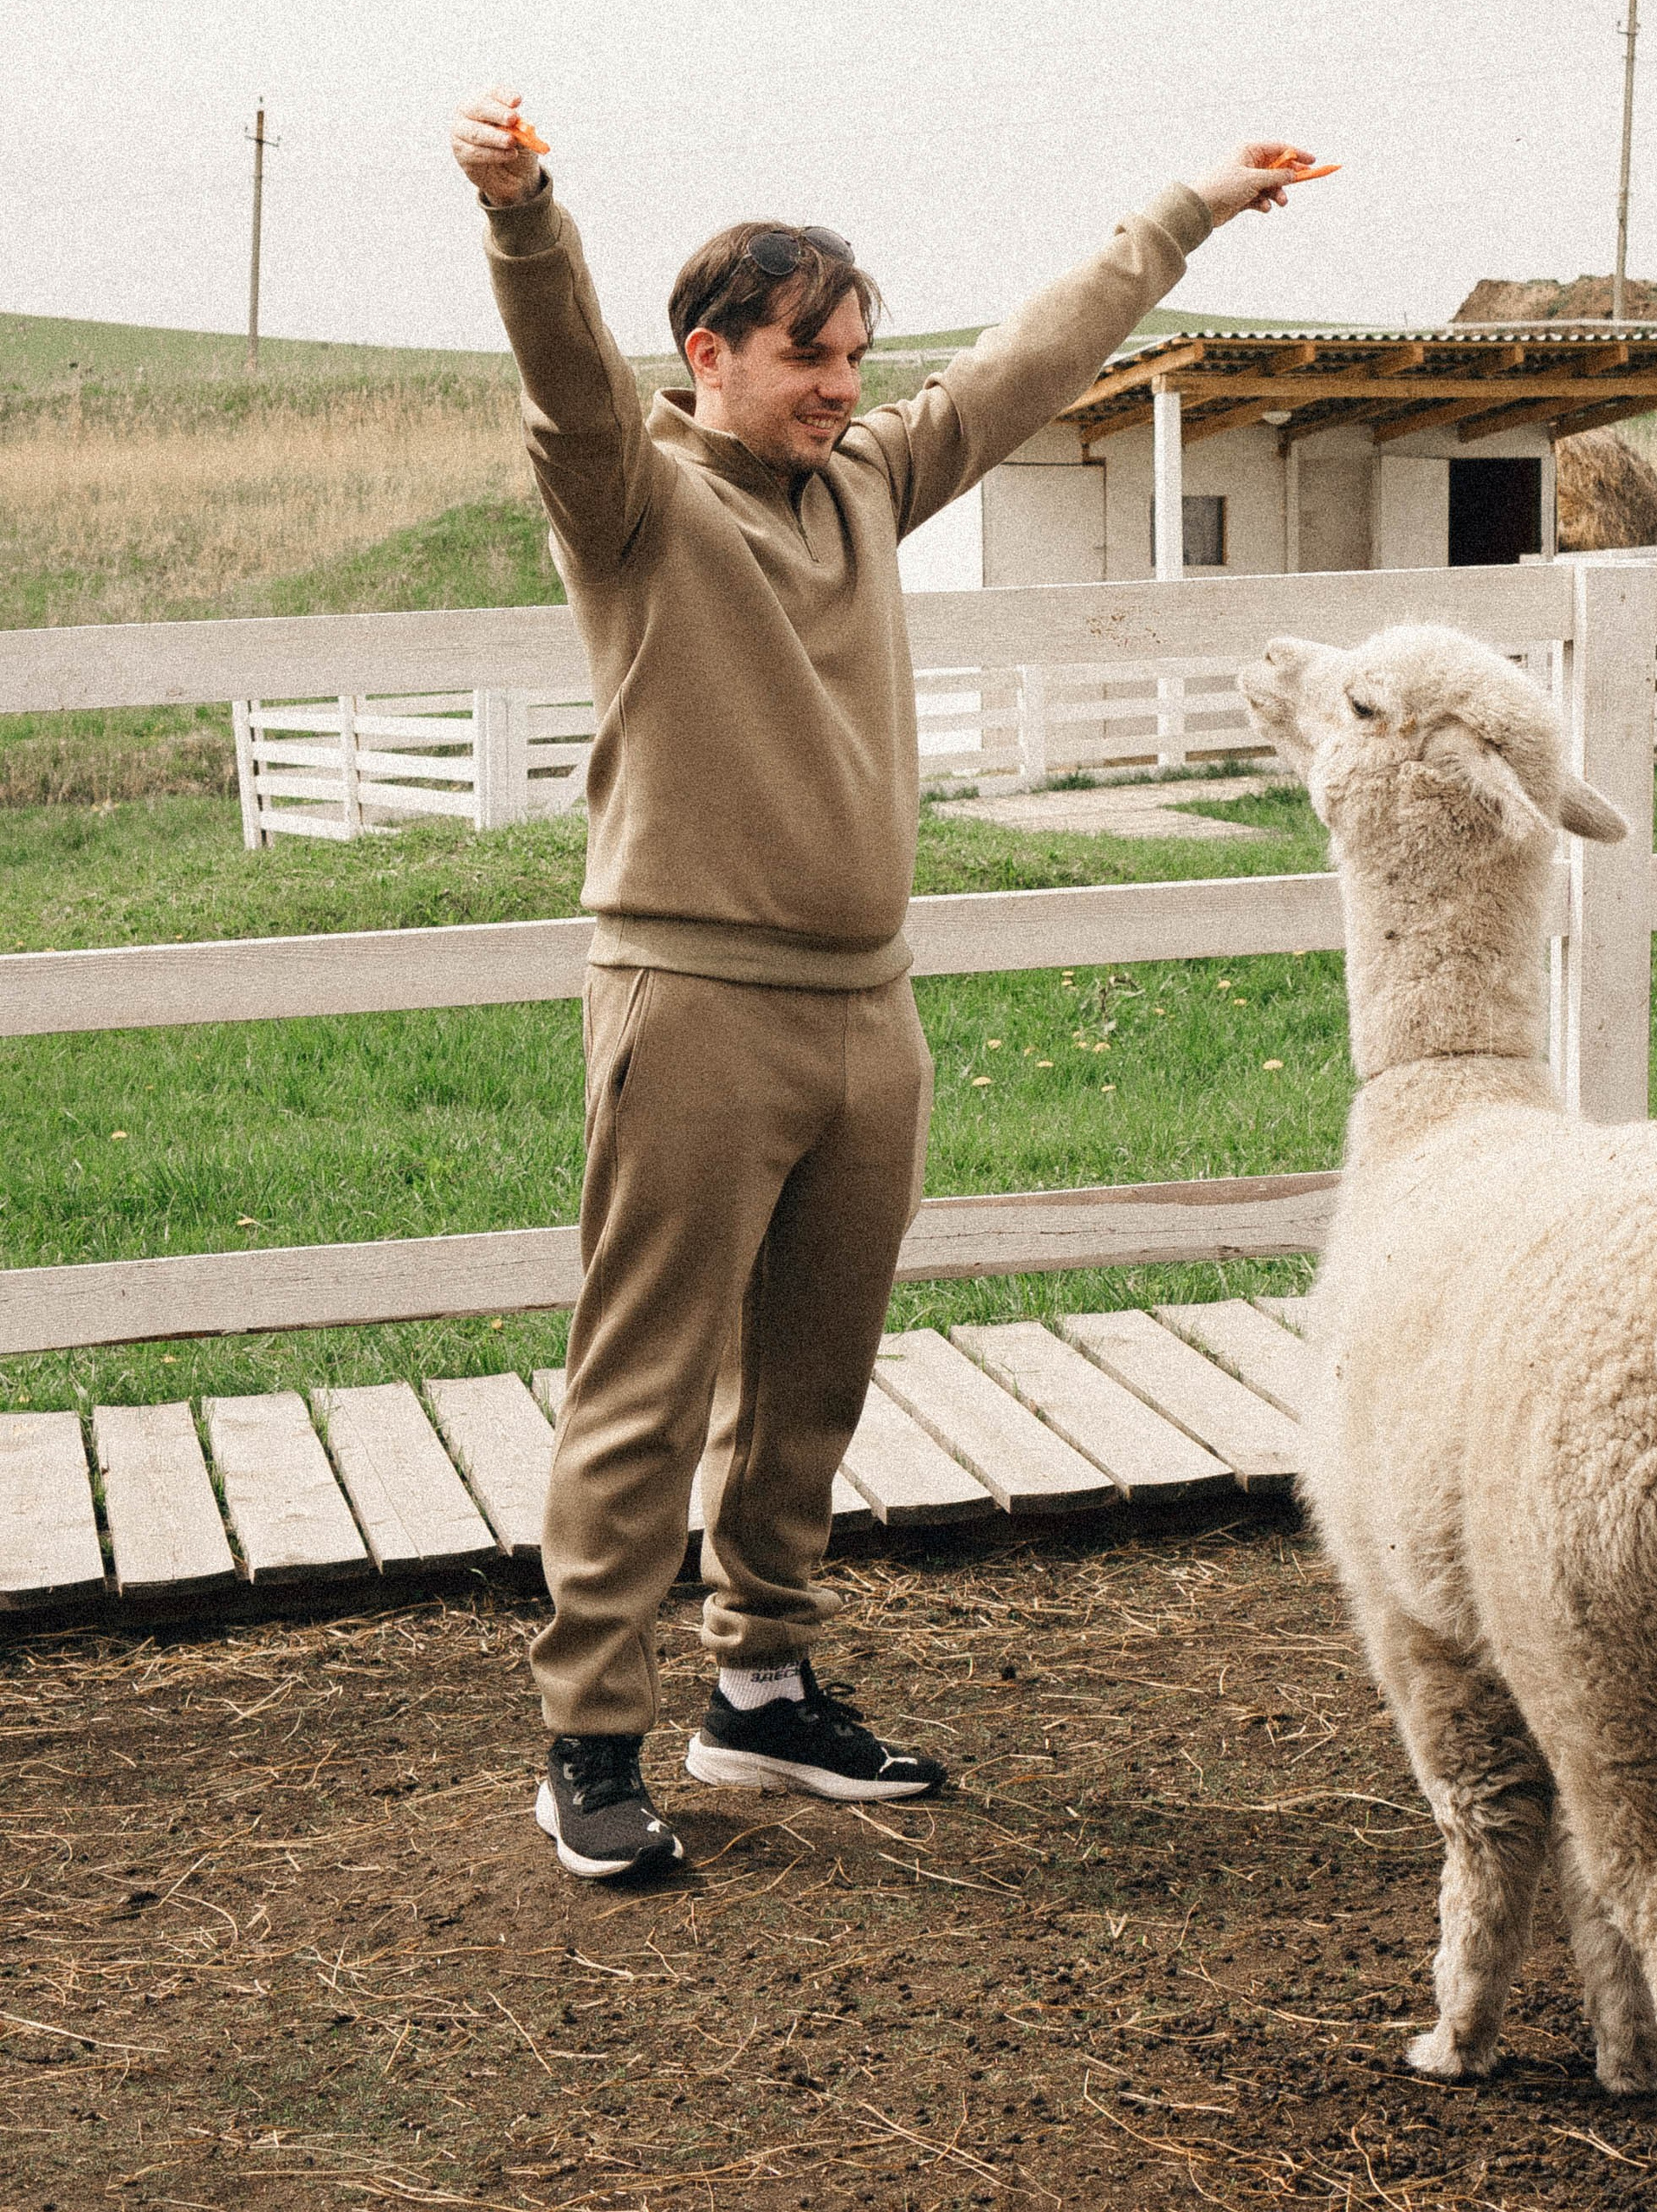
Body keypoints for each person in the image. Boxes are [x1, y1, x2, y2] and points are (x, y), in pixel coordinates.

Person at [450, 91, 1314, 1880]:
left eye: (854, 356)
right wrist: (527, 213)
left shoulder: (864, 482)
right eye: (808, 358)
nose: (844, 385)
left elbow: (1024, 362)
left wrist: (1191, 208)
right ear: (707, 358)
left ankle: (757, 1691)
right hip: (690, 1002)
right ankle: (589, 1743)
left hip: (869, 1007)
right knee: (645, 1383)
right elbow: (558, 378)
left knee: (813, 1386)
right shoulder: (630, 501)